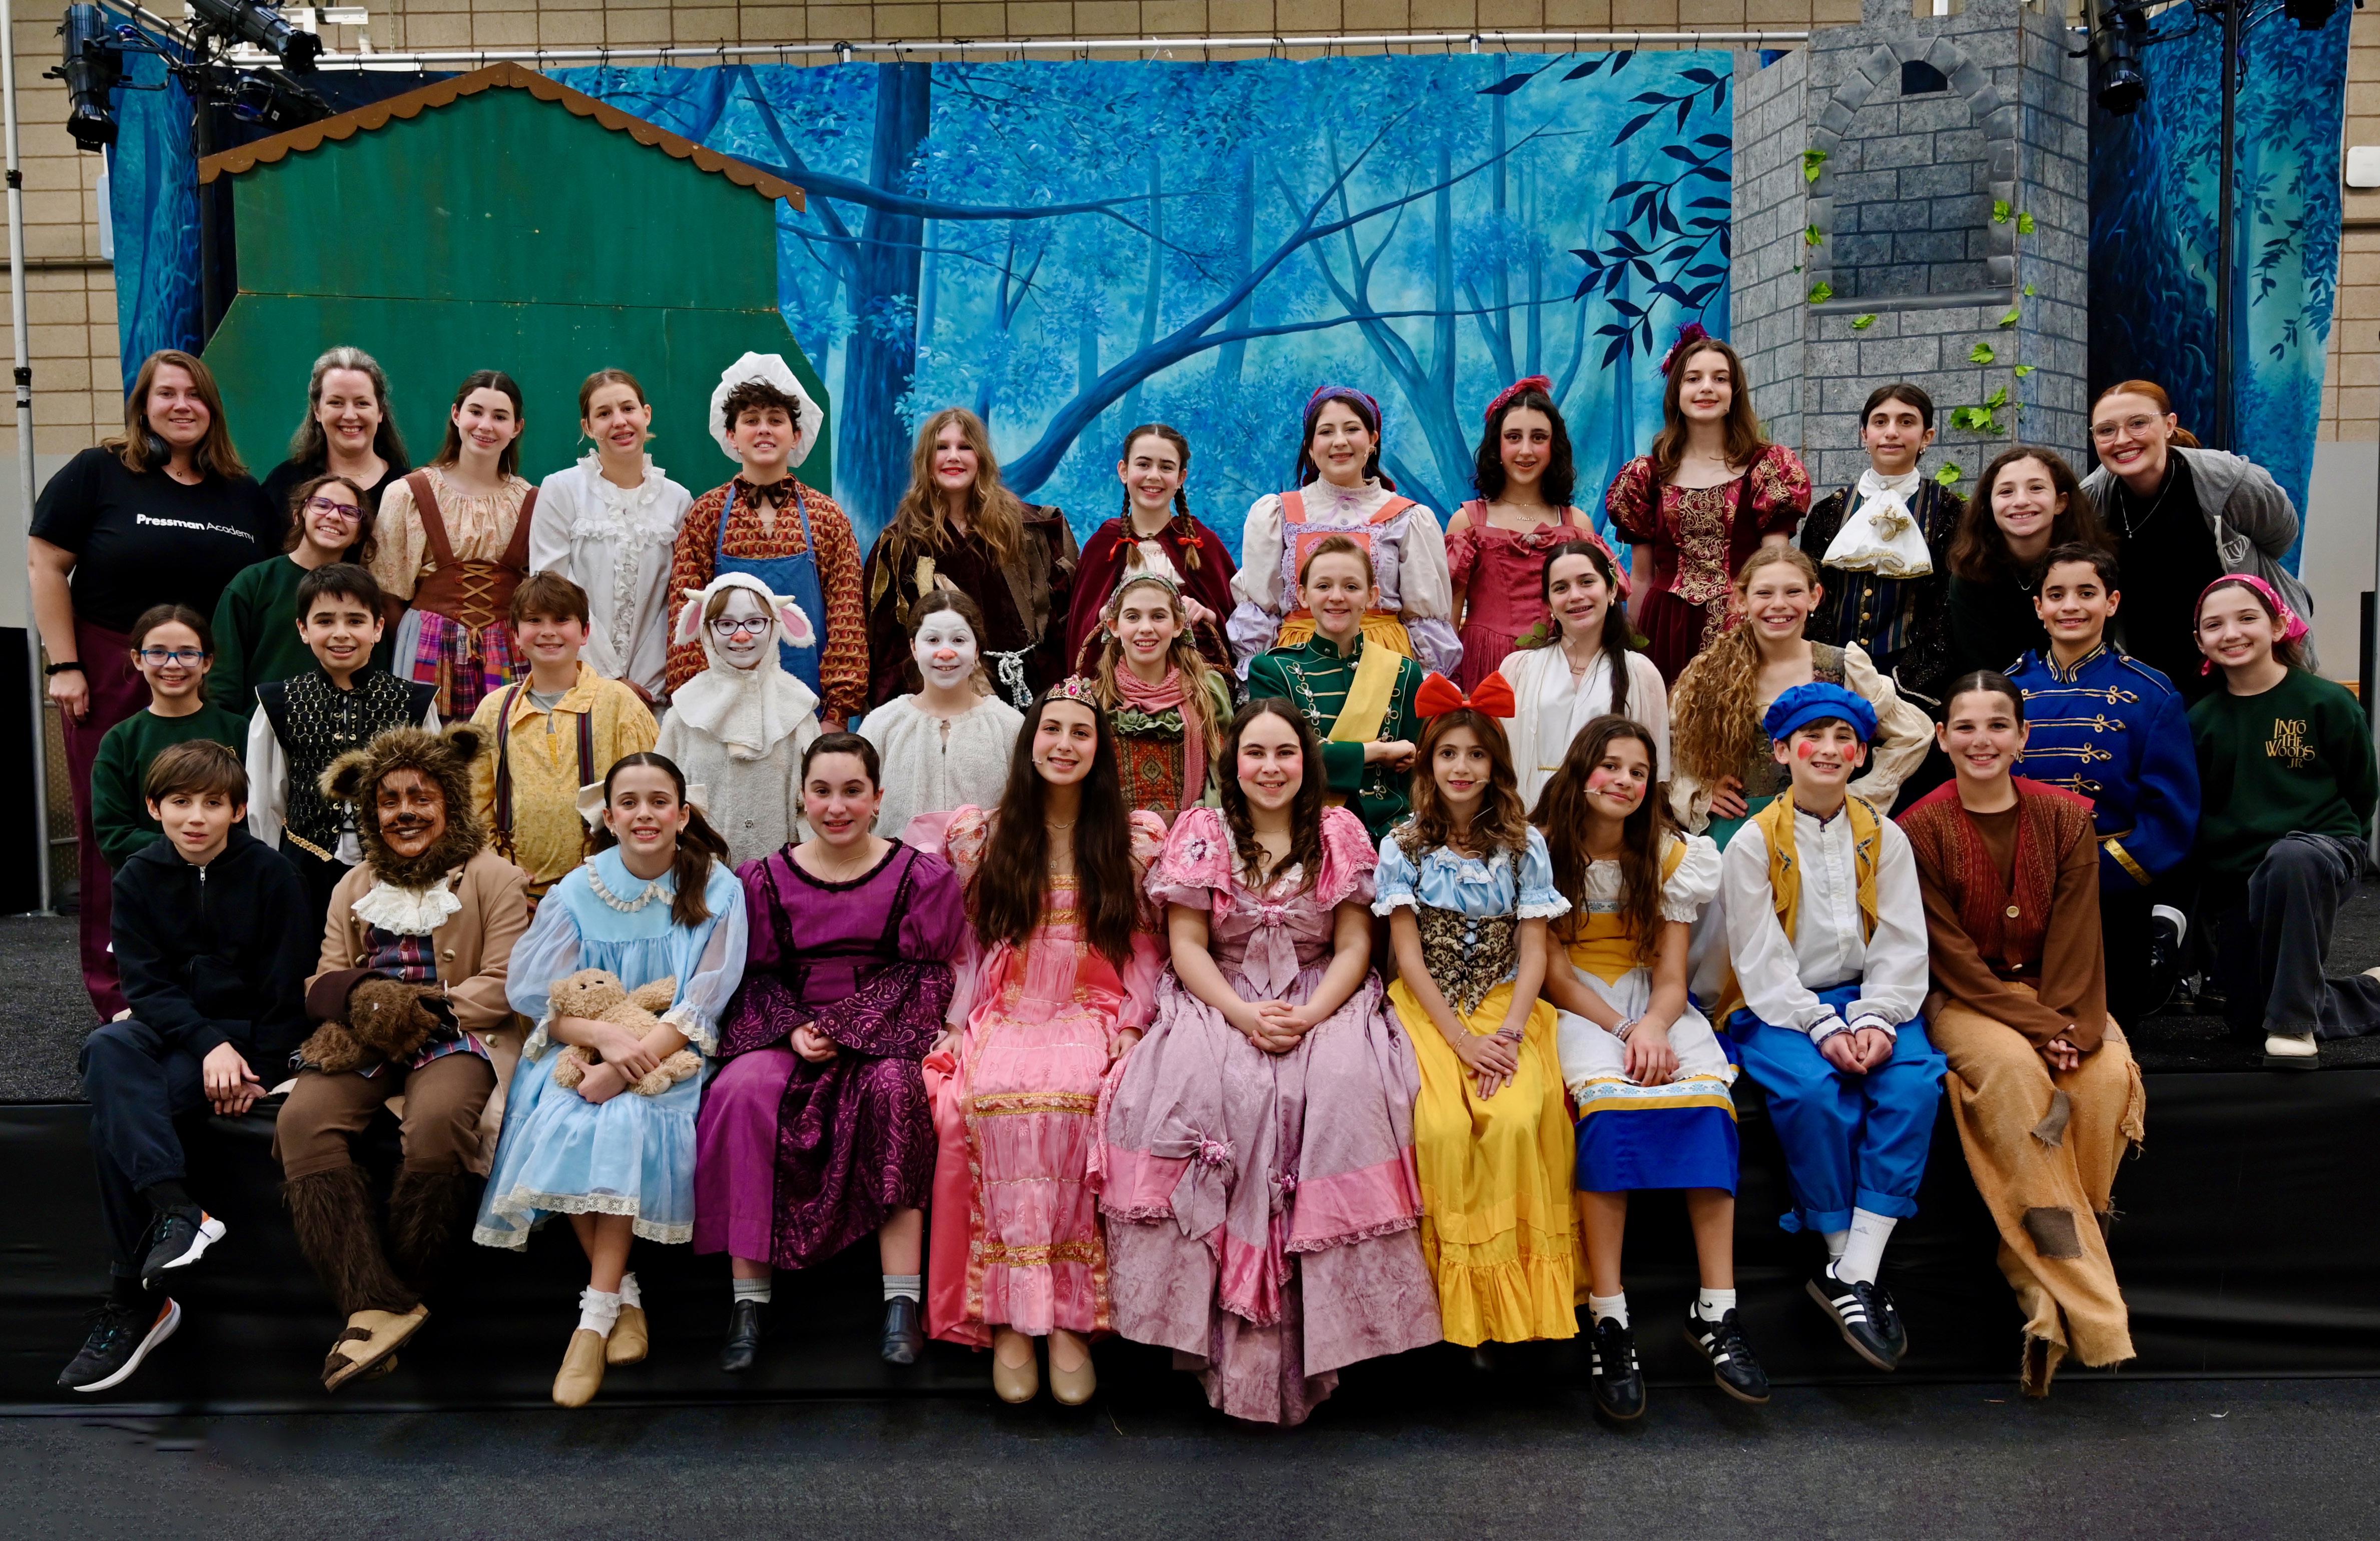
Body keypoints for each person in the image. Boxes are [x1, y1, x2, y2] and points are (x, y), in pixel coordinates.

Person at [1101, 700, 1442, 1425]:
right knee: (1212, 1086)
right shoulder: (1202, 830)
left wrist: (1310, 1016)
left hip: (1322, 994)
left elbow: (1355, 944)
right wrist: (1243, 1013)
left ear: (1306, 761)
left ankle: (1333, 1337)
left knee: (1343, 1087)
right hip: (1221, 993)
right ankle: (1209, 1332)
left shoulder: (1338, 830)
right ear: (1233, 763)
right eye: (1255, 753)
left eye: (1285, 752)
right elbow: (1187, 946)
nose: (1270, 767)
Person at [473, 752, 747, 1406]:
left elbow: (702, 1001)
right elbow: (539, 996)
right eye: (629, 802)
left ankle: (590, 1321)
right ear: (609, 815)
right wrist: (603, 1039)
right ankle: (620, 1298)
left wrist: (628, 1066)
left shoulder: (719, 888)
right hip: (584, 1044)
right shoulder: (578, 889)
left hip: (670, 1050)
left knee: (619, 1118)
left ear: (683, 815)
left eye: (659, 802)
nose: (644, 814)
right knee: (563, 1113)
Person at [1899, 672, 2145, 1397]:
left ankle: (2037, 1275)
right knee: (2013, 1073)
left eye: (1997, 725)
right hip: (1966, 999)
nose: (1982, 740)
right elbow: (1948, 956)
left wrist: (2065, 1021)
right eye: (1965, 726)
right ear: (1942, 738)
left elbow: (2078, 934)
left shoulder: (2067, 817)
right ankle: (2086, 1306)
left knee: (2104, 1078)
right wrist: (2039, 1029)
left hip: (2064, 993)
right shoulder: (1918, 828)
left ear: (2023, 736)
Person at [923, 682, 1167, 1404]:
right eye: (1051, 730)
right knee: (990, 1096)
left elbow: (1145, 946)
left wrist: (1133, 1023)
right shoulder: (986, 835)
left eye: (1080, 733)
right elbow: (968, 945)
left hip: (1093, 1001)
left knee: (1077, 1099)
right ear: (1030, 742)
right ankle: (1005, 1314)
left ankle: (1068, 1317)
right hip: (1010, 1001)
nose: (1064, 744)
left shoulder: (1131, 839)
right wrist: (956, 1018)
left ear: (1100, 750)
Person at [272, 723, 531, 1390]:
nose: (405, 812)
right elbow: (323, 979)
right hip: (364, 1034)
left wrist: (424, 1009)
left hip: (457, 1032)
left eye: (421, 796)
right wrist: (367, 1002)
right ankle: (375, 1303)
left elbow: (508, 981)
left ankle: (401, 1295)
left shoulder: (496, 877)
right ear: (370, 812)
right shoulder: (352, 884)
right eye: (389, 801)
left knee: (439, 1122)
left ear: (449, 801)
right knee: (300, 1122)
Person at [695, 733, 965, 1372]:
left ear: (878, 798)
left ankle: (901, 1300)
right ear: (802, 796)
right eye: (822, 791)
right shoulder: (762, 879)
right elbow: (752, 975)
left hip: (883, 1026)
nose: (836, 806)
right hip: (788, 1025)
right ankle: (748, 1301)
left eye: (852, 791)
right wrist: (793, 1028)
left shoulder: (920, 877)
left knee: (896, 1090)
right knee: (739, 1091)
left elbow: (927, 973)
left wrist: (847, 1026)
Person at [55, 741, 311, 1395]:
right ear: (154, 807)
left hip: (245, 1040)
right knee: (107, 1046)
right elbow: (146, 986)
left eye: (212, 803)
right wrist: (205, 1046)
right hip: (173, 1031)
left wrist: (254, 1066)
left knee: (111, 1121)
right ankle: (177, 1210)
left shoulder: (275, 876)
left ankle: (134, 1296)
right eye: (180, 801)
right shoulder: (138, 876)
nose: (195, 816)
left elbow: (285, 991)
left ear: (238, 810)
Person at [29, 348, 277, 1018]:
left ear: (213, 409)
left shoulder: (243, 494)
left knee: (214, 824)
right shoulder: (99, 471)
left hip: (209, 677)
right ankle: (119, 990)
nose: (181, 405)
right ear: (143, 406)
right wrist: (64, 664)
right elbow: (45, 563)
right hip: (111, 669)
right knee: (113, 826)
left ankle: (209, 983)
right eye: (166, 393)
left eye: (194, 394)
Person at [1534, 716, 1763, 1416]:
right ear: (1580, 770)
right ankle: (1609, 1315)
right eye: (1610, 766)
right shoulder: (1539, 850)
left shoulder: (1671, 855)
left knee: (1709, 1105)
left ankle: (1717, 1308)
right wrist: (1625, 1029)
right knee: (1607, 1113)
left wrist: (1657, 1025)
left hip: (1649, 1001)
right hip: (1579, 1004)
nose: (1624, 781)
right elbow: (1554, 974)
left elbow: (1671, 974)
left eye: (1638, 771)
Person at [1717, 683, 1940, 1372]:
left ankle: (1853, 1274)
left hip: (1871, 996)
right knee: (1814, 1093)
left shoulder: (1885, 836)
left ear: (1862, 754)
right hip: (1780, 1004)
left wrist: (1876, 1016)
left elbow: (1902, 940)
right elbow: (1758, 958)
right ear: (1782, 751)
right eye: (1812, 736)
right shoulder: (1752, 842)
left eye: (1844, 738)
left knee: (1913, 1084)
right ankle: (1845, 1259)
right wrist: (1818, 1024)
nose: (1829, 748)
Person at [1375, 677, 1577, 1349]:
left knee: (1516, 1117)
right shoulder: (1403, 845)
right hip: (1428, 1006)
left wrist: (1511, 1034)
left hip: (1504, 1002)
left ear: (1496, 765)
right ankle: (1445, 1308)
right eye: (1448, 754)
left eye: (1476, 755)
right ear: (1428, 762)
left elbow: (1534, 949)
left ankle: (1508, 1309)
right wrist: (1461, 1040)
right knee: (1439, 1127)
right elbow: (1407, 956)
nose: (1461, 768)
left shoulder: (1524, 845)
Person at [2188, 576, 2380, 1065]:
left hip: (2319, 852)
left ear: (2278, 625)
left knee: (2291, 856)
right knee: (2249, 1018)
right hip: (2244, 877)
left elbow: (2362, 789)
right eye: (2214, 624)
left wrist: (2345, 849)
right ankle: (2366, 991)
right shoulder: (2200, 721)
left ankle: (2294, 1025)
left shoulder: (2327, 702)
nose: (2231, 632)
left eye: (2246, 618)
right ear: (2200, 642)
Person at [2008, 545, 2200, 1028]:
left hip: (2110, 888)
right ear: (2039, 607)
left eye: (2087, 593)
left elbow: (2170, 813)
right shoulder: (2004, 691)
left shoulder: (2151, 692)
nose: (2070, 606)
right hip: (2018, 883)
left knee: (2111, 1024)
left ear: (2112, 603)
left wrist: (2106, 872)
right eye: (2056, 595)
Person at [1667, 546, 1931, 845]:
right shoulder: (1710, 672)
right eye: (1764, 593)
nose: (1779, 604)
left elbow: (1913, 734)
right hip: (1740, 829)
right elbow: (1674, 744)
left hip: (1821, 831)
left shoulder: (1843, 666)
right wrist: (1701, 791)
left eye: (1793, 592)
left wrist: (1859, 796)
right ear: (1742, 600)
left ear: (1814, 597)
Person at [664, 354, 863, 725]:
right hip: (723, 710)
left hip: (810, 707)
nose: (764, 430)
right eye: (751, 420)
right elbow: (685, 617)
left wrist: (836, 714)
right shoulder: (707, 514)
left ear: (796, 435)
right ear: (732, 436)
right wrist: (698, 707)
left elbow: (846, 616)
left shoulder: (826, 516)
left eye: (776, 420)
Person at [2084, 379, 2316, 697]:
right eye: (2106, 430)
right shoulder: (2091, 502)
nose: (2122, 440)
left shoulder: (2230, 481)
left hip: (2245, 662)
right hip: (2150, 675)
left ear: (2169, 425)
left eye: (2138, 423)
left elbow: (2281, 537)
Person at [1605, 328, 1810, 684]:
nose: (1706, 388)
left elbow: (1776, 569)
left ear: (1734, 393)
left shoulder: (1766, 467)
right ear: (1677, 393)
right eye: (1693, 379)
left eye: (1720, 379)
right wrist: (1632, 653)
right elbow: (1641, 576)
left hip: (1743, 624)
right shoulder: (1648, 475)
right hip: (1664, 625)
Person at [245, 564, 440, 930]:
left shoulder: (414, 702)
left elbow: (433, 794)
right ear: (303, 629)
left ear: (377, 628)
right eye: (325, 621)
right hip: (304, 869)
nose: (341, 633)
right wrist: (273, 875)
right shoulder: (279, 702)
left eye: (355, 620)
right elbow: (265, 802)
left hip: (396, 866)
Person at [1227, 386, 1460, 678]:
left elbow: (1424, 618)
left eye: (1352, 429)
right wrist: (1256, 679)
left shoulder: (1408, 517)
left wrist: (1426, 681)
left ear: (1372, 440)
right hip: (1299, 666)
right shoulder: (1278, 513)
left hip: (1382, 666)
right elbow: (1261, 610)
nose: (1340, 441)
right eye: (1326, 432)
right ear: (1310, 447)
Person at [863, 407, 1078, 711]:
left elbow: (1064, 618)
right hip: (940, 698)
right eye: (942, 447)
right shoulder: (901, 545)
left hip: (1029, 695)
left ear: (982, 458)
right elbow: (888, 646)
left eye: (965, 447)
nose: (953, 456)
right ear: (925, 460)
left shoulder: (1028, 530)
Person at [465, 573, 660, 903]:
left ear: (585, 632)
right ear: (516, 635)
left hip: (608, 888)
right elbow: (473, 803)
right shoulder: (494, 709)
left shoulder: (619, 704)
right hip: (515, 893)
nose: (548, 631)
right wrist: (495, 871)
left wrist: (617, 864)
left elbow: (651, 794)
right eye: (534, 620)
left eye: (561, 620)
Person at [370, 369, 539, 720]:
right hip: (427, 645)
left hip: (508, 650)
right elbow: (389, 594)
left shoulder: (533, 502)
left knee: (504, 740)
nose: (486, 425)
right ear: (456, 414)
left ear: (517, 428)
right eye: (476, 412)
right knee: (427, 745)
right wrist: (416, 642)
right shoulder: (408, 494)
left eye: (500, 416)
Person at [1245, 535, 1427, 845]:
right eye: (1324, 586)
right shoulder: (1272, 670)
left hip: (1389, 835)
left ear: (1371, 596)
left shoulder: (1404, 672)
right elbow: (1283, 758)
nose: (1337, 597)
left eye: (1352, 587)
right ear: (1304, 596)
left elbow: (1414, 772)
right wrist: (1375, 752)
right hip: (1304, 832)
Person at [1447, 376, 1623, 690]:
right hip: (1485, 666)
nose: (1526, 450)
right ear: (1497, 445)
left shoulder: (1578, 525)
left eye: (1539, 437)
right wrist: (1446, 683)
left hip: (1562, 669)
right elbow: (1448, 616)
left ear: (1554, 446)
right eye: (1514, 437)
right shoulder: (1467, 522)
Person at [530, 368, 695, 704]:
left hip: (653, 688)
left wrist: (646, 682)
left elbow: (676, 600)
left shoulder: (678, 500)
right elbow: (552, 587)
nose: (619, 421)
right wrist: (608, 676)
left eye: (628, 408)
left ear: (646, 415)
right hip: (574, 677)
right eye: (604, 414)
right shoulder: (561, 490)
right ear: (588, 427)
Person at [1798, 383, 1964, 707]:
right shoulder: (1830, 511)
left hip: (1911, 677)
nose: (1891, 432)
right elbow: (1814, 596)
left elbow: (1946, 608)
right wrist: (1827, 667)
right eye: (1880, 422)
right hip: (1834, 672)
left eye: (1906, 422)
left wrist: (1909, 680)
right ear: (1865, 435)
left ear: (1927, 437)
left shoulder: (1947, 512)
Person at [652, 573, 824, 870]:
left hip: (784, 877)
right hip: (702, 877)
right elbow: (660, 794)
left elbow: (816, 799)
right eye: (726, 624)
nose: (741, 636)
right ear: (706, 629)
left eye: (755, 623)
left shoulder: (798, 710)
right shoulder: (684, 713)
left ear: (775, 626)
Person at [1497, 538, 1668, 809]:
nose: (1575, 596)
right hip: (1528, 816)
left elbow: (1656, 774)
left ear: (1611, 590)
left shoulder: (1640, 673)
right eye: (1561, 588)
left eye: (1587, 582)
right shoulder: (1518, 668)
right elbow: (1497, 757)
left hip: (1607, 821)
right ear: (1549, 604)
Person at [211, 474, 399, 718]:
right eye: (322, 505)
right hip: (263, 730)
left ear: (359, 533)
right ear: (299, 515)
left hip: (344, 732)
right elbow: (222, 680)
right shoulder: (254, 582)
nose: (334, 516)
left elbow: (377, 677)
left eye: (349, 512)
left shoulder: (365, 592)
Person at [1063, 422, 1237, 676]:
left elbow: (1232, 625)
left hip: (1193, 680)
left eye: (1166, 467)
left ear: (1181, 478)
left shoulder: (1202, 543)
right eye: (1143, 464)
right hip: (1116, 685)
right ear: (1124, 471)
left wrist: (1208, 615)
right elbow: (1082, 632)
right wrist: (1106, 615)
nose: (1154, 475)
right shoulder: (1103, 546)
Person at [89, 605, 252, 873]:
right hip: (150, 880)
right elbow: (113, 835)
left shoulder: (240, 730)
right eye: (158, 653)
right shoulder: (120, 741)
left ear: (207, 662)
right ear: (138, 659)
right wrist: (187, 850)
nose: (173, 664)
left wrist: (217, 853)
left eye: (188, 653)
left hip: (231, 876)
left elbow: (257, 817)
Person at [857, 590, 1023, 839]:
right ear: (914, 648)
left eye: (959, 640)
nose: (946, 653)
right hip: (899, 864)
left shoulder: (1010, 726)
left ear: (977, 649)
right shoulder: (881, 725)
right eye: (933, 640)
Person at [1077, 570, 1233, 820]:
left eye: (1158, 616)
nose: (1146, 628)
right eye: (1133, 617)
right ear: (1114, 627)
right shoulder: (1096, 696)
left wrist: (1199, 824)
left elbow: (1222, 770)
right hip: (1116, 831)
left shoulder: (1205, 689)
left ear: (1178, 625)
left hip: (1192, 831)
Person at [1946, 446, 2108, 680]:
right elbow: (1978, 670)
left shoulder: (2094, 568)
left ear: (2060, 502)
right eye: (2006, 492)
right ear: (1989, 506)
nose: (2021, 501)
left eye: (2036, 488)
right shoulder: (1970, 576)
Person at [257, 346, 411, 541]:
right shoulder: (285, 483)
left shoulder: (407, 489)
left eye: (362, 403)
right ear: (317, 411)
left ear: (380, 412)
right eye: (336, 403)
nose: (350, 415)